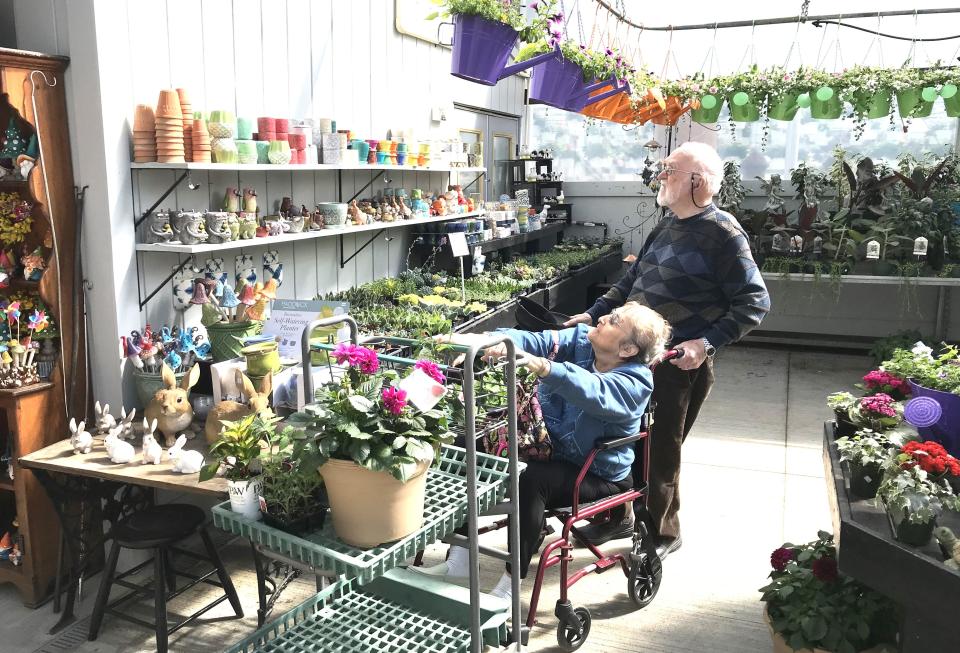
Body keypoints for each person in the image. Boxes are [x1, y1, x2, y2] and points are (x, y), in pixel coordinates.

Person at [565, 141, 771, 557]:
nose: (661, 176)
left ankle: (661, 533)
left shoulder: (724, 233)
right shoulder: (666, 224)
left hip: (676, 365)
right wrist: (593, 315)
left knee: (659, 449)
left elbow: (755, 302)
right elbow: (630, 285)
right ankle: (618, 516)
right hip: (629, 356)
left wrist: (705, 342)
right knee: (617, 437)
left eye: (670, 170)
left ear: (699, 181)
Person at [413, 302, 671, 602]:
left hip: (593, 470)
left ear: (627, 349)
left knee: (529, 479)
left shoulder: (636, 381)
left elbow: (594, 391)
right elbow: (540, 340)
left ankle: (509, 588)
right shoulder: (583, 341)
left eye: (614, 321)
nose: (601, 318)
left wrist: (544, 367)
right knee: (464, 448)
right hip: (542, 445)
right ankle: (459, 561)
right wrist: (490, 340)